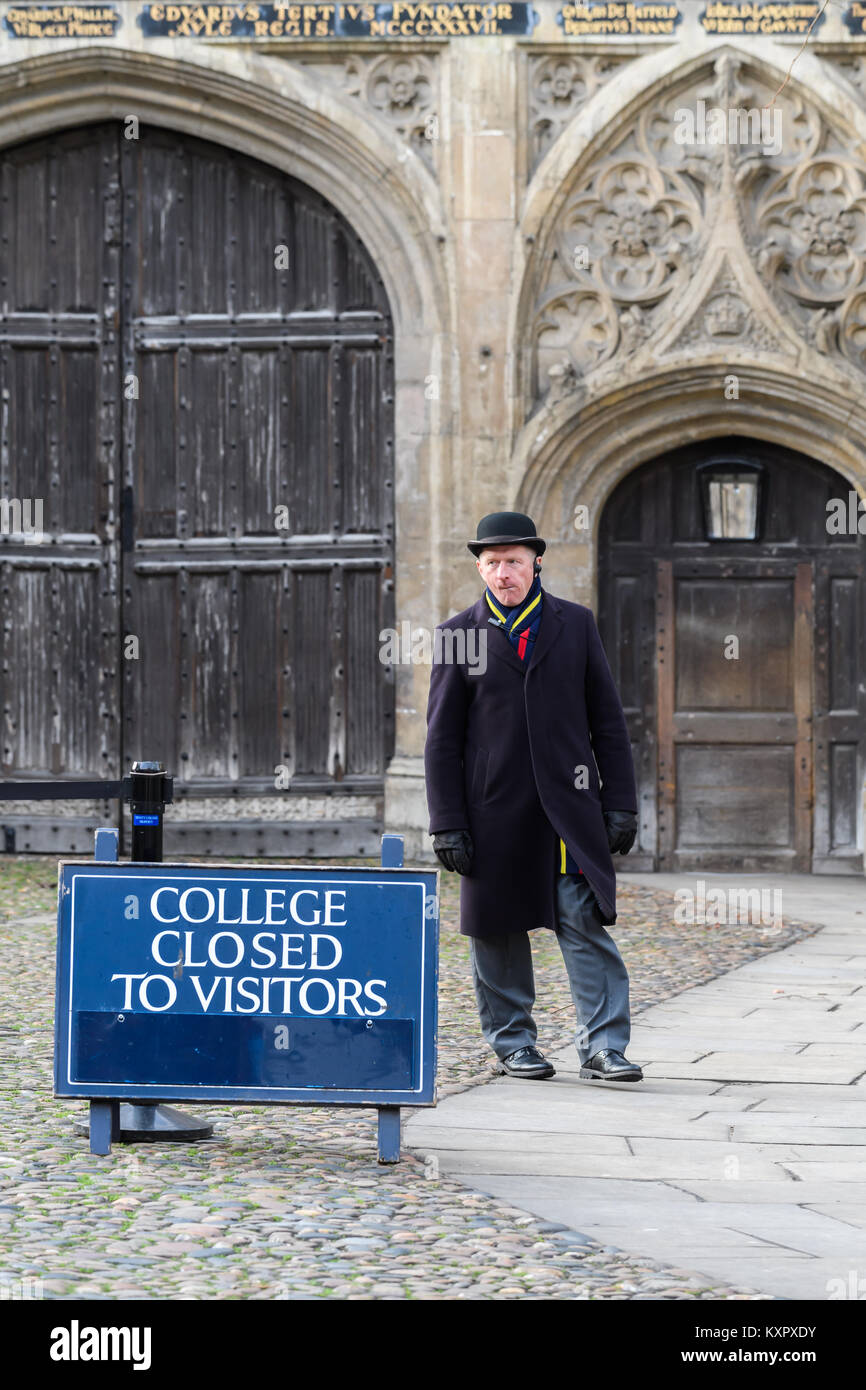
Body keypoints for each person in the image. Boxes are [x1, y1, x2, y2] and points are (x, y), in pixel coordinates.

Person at [424, 510, 643, 1082]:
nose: (503, 574)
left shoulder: (576, 624)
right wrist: (447, 821)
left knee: (583, 919)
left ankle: (604, 1047)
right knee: (496, 928)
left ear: (536, 561)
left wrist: (620, 802)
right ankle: (513, 1041)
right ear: (479, 567)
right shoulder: (457, 637)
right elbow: (441, 740)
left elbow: (608, 724)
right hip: (492, 810)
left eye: (514, 562)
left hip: (569, 809)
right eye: (492, 563)